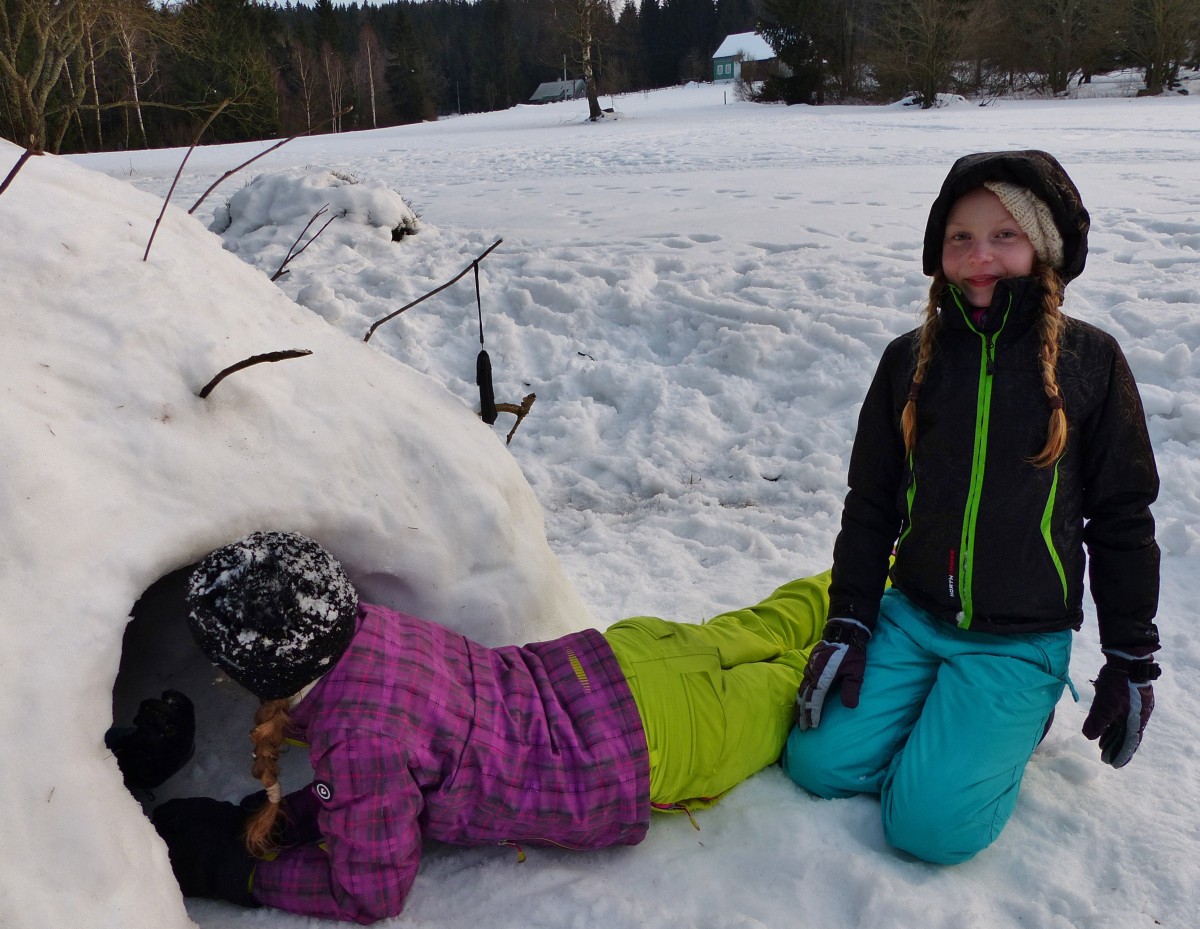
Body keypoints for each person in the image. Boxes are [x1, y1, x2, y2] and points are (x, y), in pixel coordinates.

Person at [781, 150, 1162, 865]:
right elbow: (871, 503)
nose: (979, 255)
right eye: (961, 236)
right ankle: (950, 715)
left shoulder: (1091, 361)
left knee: (928, 830)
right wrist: (850, 621)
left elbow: (1122, 517)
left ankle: (1016, 715)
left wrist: (1130, 655)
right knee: (817, 764)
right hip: (914, 614)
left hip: (1018, 638)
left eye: (1004, 235)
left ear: (1042, 248)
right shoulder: (908, 360)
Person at [150, 530, 829, 924]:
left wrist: (239, 871)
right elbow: (386, 779)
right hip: (626, 658)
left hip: (658, 743)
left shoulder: (359, 739)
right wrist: (279, 818)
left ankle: (895, 628)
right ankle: (877, 572)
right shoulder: (372, 627)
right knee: (779, 619)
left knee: (812, 682)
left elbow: (368, 888)